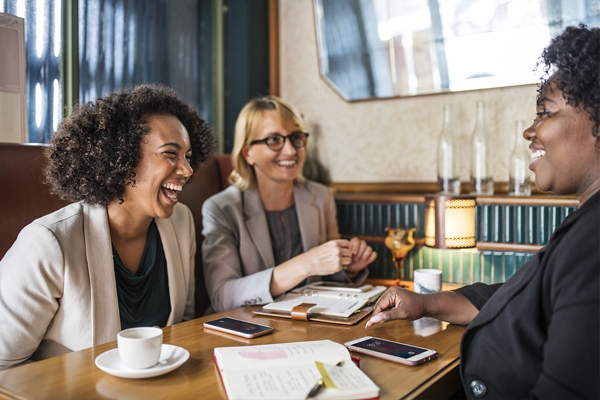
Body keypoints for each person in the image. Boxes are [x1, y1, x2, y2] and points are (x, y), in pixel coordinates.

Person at [366, 25, 599, 399]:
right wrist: (424, 303)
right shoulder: (585, 225)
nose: (530, 130)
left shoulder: (594, 247)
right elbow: (517, 297)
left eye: (545, 113)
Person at [0, 84, 214, 370]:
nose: (187, 170)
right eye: (170, 154)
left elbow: (181, 327)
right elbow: (4, 365)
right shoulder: (48, 242)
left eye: (187, 157)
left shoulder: (181, 222)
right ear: (123, 160)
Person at [202, 95, 377, 313]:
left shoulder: (321, 196)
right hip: (248, 329)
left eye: (296, 137)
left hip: (310, 323)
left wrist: (348, 267)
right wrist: (307, 263)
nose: (291, 151)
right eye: (274, 140)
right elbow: (222, 297)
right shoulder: (221, 208)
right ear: (248, 153)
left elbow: (330, 279)